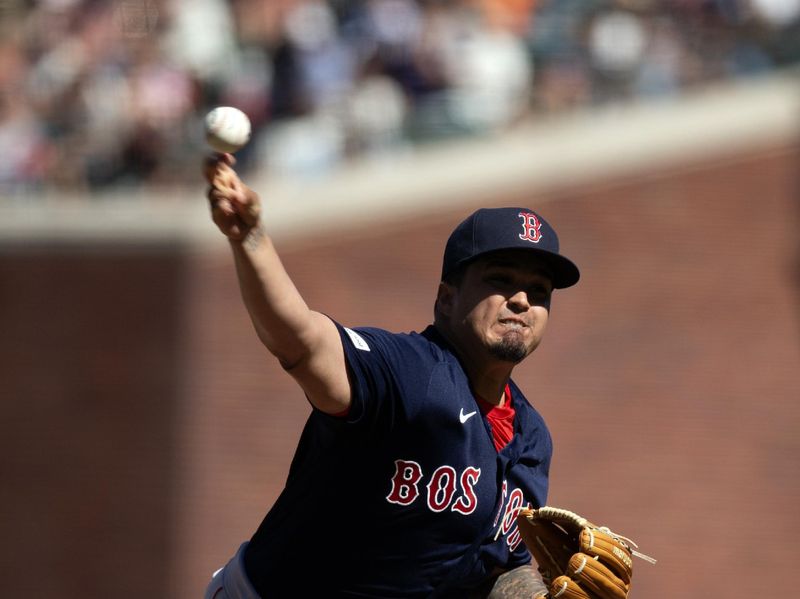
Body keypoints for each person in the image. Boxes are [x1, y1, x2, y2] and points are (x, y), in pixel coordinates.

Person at [202, 152, 581, 598]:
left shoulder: (532, 440)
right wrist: (251, 240)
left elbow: (497, 569)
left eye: (539, 291)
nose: (521, 300)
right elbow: (299, 340)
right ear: (446, 299)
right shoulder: (407, 372)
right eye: (500, 279)